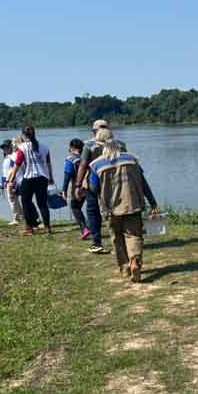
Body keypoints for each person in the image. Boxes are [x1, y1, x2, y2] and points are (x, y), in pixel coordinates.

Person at [90, 137, 159, 282]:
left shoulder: (96, 165)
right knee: (134, 235)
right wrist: (153, 202)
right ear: (120, 148)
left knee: (117, 237)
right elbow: (143, 183)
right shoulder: (132, 160)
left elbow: (93, 187)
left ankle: (125, 267)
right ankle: (135, 261)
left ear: (104, 149)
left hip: (110, 208)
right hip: (132, 204)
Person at [75, 120, 127, 254]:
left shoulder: (89, 145)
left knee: (93, 212)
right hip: (115, 182)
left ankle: (96, 242)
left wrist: (77, 185)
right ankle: (121, 242)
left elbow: (83, 165)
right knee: (116, 211)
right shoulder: (120, 144)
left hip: (93, 183)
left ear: (94, 131)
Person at [8, 125, 54, 235]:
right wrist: (51, 177)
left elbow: (17, 164)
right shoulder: (45, 147)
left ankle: (29, 228)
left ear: (23, 135)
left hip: (29, 178)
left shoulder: (22, 147)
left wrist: (11, 179)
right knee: (42, 204)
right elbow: (48, 164)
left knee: (26, 202)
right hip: (43, 177)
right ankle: (47, 227)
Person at [62, 138, 89, 239]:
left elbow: (67, 174)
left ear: (72, 147)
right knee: (79, 207)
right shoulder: (85, 157)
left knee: (75, 207)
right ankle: (86, 227)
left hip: (75, 186)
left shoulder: (70, 159)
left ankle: (84, 228)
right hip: (86, 185)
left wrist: (64, 190)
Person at [0, 139, 23, 225]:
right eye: (3, 148)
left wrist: (10, 182)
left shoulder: (12, 157)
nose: (4, 149)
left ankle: (16, 218)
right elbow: (4, 173)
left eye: (6, 147)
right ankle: (21, 216)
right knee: (15, 200)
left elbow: (14, 170)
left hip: (12, 182)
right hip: (8, 181)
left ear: (11, 147)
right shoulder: (7, 158)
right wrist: (2, 183)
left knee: (12, 200)